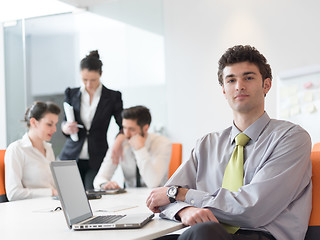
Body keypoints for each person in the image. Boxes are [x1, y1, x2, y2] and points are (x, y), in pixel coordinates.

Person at [146, 45, 312, 240]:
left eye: (248, 78)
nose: (239, 86)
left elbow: (252, 210)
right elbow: (164, 197)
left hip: (261, 235)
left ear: (266, 85)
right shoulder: (206, 144)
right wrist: (185, 210)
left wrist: (184, 195)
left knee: (203, 233)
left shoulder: (291, 137)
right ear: (224, 90)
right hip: (210, 233)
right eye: (231, 80)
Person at [59, 50, 123, 190]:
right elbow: (64, 122)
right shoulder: (71, 93)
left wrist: (117, 142)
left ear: (100, 75)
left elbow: (123, 125)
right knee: (71, 195)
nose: (88, 84)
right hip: (71, 155)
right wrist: (66, 128)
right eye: (84, 80)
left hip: (97, 155)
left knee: (94, 193)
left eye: (93, 80)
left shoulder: (113, 97)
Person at [93, 105, 172, 189]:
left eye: (132, 129)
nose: (126, 134)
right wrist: (104, 184)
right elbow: (99, 179)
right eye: (124, 128)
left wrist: (140, 149)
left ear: (145, 128)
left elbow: (152, 183)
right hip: (129, 197)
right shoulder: (120, 144)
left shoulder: (163, 144)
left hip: (157, 197)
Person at [5, 101, 60, 201]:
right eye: (49, 124)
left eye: (55, 124)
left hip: (52, 205)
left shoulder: (48, 148)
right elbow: (13, 193)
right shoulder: (16, 150)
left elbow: (53, 185)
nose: (55, 129)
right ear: (33, 122)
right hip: (31, 210)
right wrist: (51, 192)